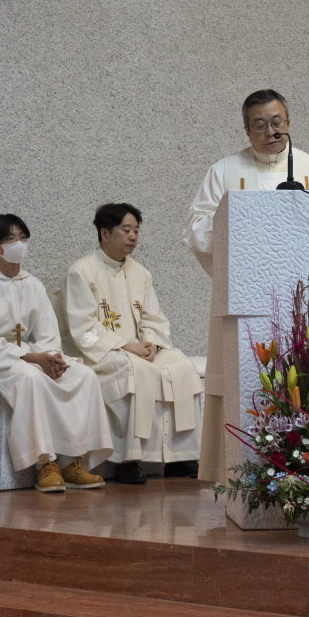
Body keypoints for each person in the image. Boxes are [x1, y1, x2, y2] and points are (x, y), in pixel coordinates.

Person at [183, 88, 309, 482]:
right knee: (244, 383)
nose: (270, 131)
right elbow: (197, 231)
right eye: (259, 125)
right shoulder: (223, 172)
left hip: (303, 303)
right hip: (245, 300)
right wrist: (237, 226)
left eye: (276, 122)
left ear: (289, 123)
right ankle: (239, 476)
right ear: (246, 130)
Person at [0, 214, 112, 492]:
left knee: (84, 375)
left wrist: (51, 359)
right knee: (31, 378)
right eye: (11, 239)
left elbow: (47, 333)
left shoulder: (33, 284)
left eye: (23, 237)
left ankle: (72, 462)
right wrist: (31, 358)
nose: (19, 244)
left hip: (35, 355)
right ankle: (44, 463)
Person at [60, 203, 203, 485]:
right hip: (101, 352)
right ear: (105, 233)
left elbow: (153, 317)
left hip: (140, 349)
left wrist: (152, 344)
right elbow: (83, 327)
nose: (133, 236)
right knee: (137, 371)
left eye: (136, 230)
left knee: (182, 367)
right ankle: (128, 459)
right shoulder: (82, 272)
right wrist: (127, 346)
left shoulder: (140, 273)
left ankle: (181, 457)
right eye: (126, 230)